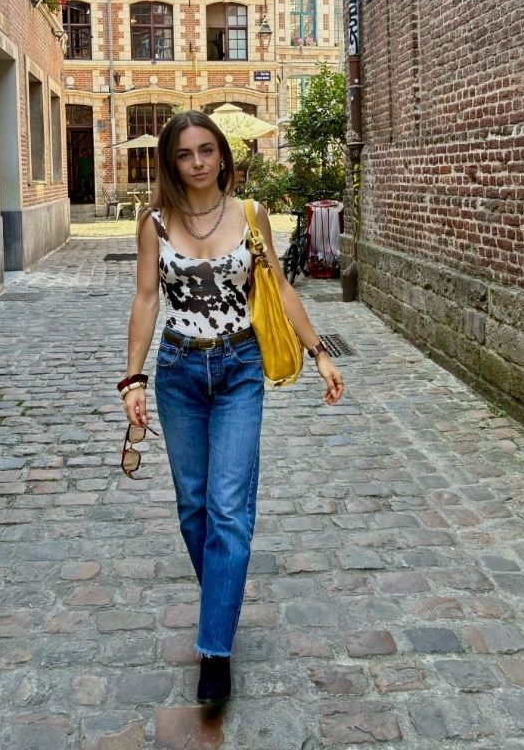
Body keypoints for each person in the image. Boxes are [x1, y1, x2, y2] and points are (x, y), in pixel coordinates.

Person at [120, 110, 344, 706]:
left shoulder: (250, 214)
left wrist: (319, 352)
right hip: (179, 371)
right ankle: (222, 599)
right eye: (184, 154)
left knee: (227, 508)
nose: (197, 162)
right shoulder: (155, 223)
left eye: (206, 150)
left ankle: (215, 649)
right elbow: (145, 299)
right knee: (194, 505)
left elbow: (280, 288)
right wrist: (132, 379)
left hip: (240, 366)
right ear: (171, 163)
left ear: (222, 155)